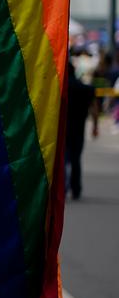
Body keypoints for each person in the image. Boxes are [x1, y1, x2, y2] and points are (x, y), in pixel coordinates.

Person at [65, 60, 98, 200]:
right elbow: (95, 109)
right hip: (79, 129)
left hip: (63, 130)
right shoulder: (87, 89)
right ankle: (76, 189)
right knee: (76, 159)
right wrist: (95, 127)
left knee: (63, 160)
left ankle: (63, 188)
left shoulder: (60, 88)